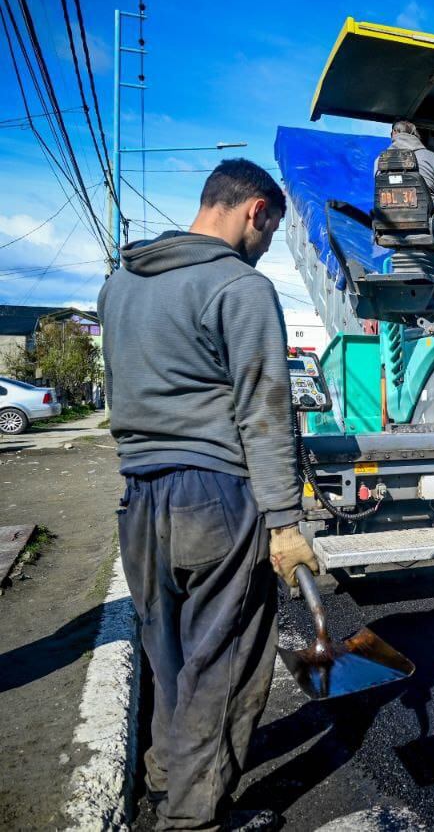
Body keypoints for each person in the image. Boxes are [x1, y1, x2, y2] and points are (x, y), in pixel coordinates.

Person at [99, 159, 318, 831]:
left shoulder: (119, 287)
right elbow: (264, 410)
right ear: (255, 211)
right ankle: (192, 822)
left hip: (140, 498)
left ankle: (168, 782)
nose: (267, 244)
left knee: (169, 656)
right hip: (216, 496)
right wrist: (283, 521)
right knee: (222, 663)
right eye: (271, 230)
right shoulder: (238, 287)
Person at [382, 119, 434, 212]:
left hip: (388, 223)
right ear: (415, 135)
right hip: (425, 223)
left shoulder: (380, 161)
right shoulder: (432, 158)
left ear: (394, 133)